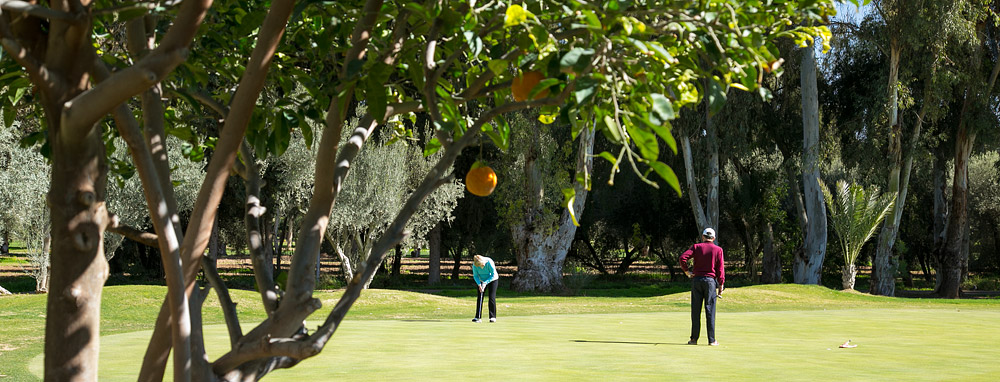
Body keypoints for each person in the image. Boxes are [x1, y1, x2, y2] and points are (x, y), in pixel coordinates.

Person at [679, 227, 725, 346]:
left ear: (703, 237)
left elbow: (682, 258)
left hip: (696, 280)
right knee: (710, 310)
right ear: (713, 238)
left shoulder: (696, 247)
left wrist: (686, 271)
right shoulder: (718, 249)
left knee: (695, 311)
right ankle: (711, 340)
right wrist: (721, 284)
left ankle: (694, 339)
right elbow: (720, 269)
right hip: (710, 282)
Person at [471, 254, 499, 323]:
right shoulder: (474, 265)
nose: (482, 266)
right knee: (480, 297)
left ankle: (492, 317)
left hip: (492, 280)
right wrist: (479, 284)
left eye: (482, 265)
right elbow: (475, 276)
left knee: (491, 297)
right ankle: (478, 317)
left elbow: (493, 274)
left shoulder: (489, 262)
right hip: (481, 280)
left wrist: (485, 283)